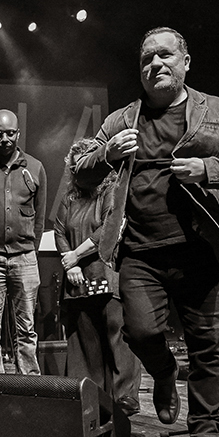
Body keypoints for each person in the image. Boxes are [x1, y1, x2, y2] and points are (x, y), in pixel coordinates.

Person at [73, 27, 219, 437]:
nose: (155, 64)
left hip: (201, 250)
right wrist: (105, 154)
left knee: (208, 351)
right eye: (146, 58)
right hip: (140, 252)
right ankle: (163, 372)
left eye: (165, 55)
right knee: (140, 334)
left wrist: (209, 168)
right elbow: (80, 172)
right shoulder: (123, 119)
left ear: (185, 61)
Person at [55, 137, 140, 417]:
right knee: (84, 343)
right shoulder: (69, 200)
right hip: (77, 282)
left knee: (117, 337)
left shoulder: (110, 191)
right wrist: (71, 265)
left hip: (105, 274)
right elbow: (59, 232)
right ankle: (90, 400)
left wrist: (76, 256)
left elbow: (109, 230)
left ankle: (124, 399)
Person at [0, 109, 47, 375]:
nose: (4, 139)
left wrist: (32, 250)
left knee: (26, 328)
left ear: (18, 133)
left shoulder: (35, 167)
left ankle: (30, 383)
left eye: (9, 133)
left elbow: (40, 217)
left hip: (25, 257)